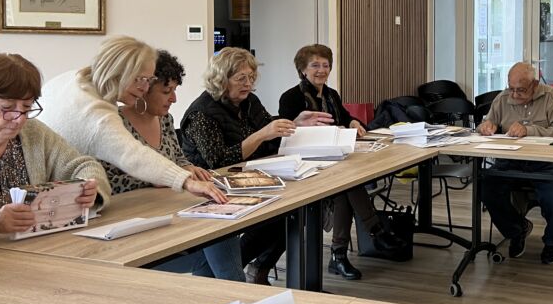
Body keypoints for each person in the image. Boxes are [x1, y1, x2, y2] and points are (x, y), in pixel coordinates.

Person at [180, 47, 333, 285]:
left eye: (251, 78)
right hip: (210, 190)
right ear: (221, 78)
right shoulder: (202, 113)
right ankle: (218, 273)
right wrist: (261, 135)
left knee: (291, 212)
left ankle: (235, 268)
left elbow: (269, 134)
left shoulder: (249, 102)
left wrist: (293, 124)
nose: (248, 84)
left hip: (247, 180)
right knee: (280, 216)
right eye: (241, 78)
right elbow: (219, 161)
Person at [101, 50, 246, 282]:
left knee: (220, 227)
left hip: (169, 211)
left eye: (175, 90)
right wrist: (160, 177)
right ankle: (238, 295)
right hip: (134, 223)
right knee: (217, 238)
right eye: (166, 91)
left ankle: (230, 295)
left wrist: (187, 168)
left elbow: (178, 159)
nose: (174, 99)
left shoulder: (165, 119)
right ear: (143, 89)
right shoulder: (113, 123)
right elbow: (110, 181)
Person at [278, 44, 407, 280]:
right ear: (303, 70)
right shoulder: (291, 97)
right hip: (306, 163)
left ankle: (340, 256)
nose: (321, 70)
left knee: (345, 188)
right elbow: (286, 132)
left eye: (325, 65)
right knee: (348, 184)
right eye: (315, 65)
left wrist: (354, 123)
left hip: (335, 160)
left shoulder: (331, 95)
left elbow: (345, 118)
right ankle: (374, 231)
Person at [0, 53, 107, 240]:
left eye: (26, 108)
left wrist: (89, 189)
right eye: (7, 108)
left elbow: (84, 165)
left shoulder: (34, 132)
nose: (20, 119)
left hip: (36, 247)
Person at [40, 36, 211, 194]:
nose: (145, 88)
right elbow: (133, 156)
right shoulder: (97, 117)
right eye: (141, 79)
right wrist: (185, 181)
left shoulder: (72, 78)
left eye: (149, 80)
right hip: (52, 190)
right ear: (119, 72)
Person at [479, 62, 553, 265]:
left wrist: (530, 130)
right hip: (511, 160)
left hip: (547, 160)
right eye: (511, 88)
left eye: (520, 90)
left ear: (534, 84)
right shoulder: (503, 98)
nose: (514, 94)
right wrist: (486, 126)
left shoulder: (551, 97)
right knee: (486, 187)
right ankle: (517, 229)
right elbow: (486, 123)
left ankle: (552, 241)